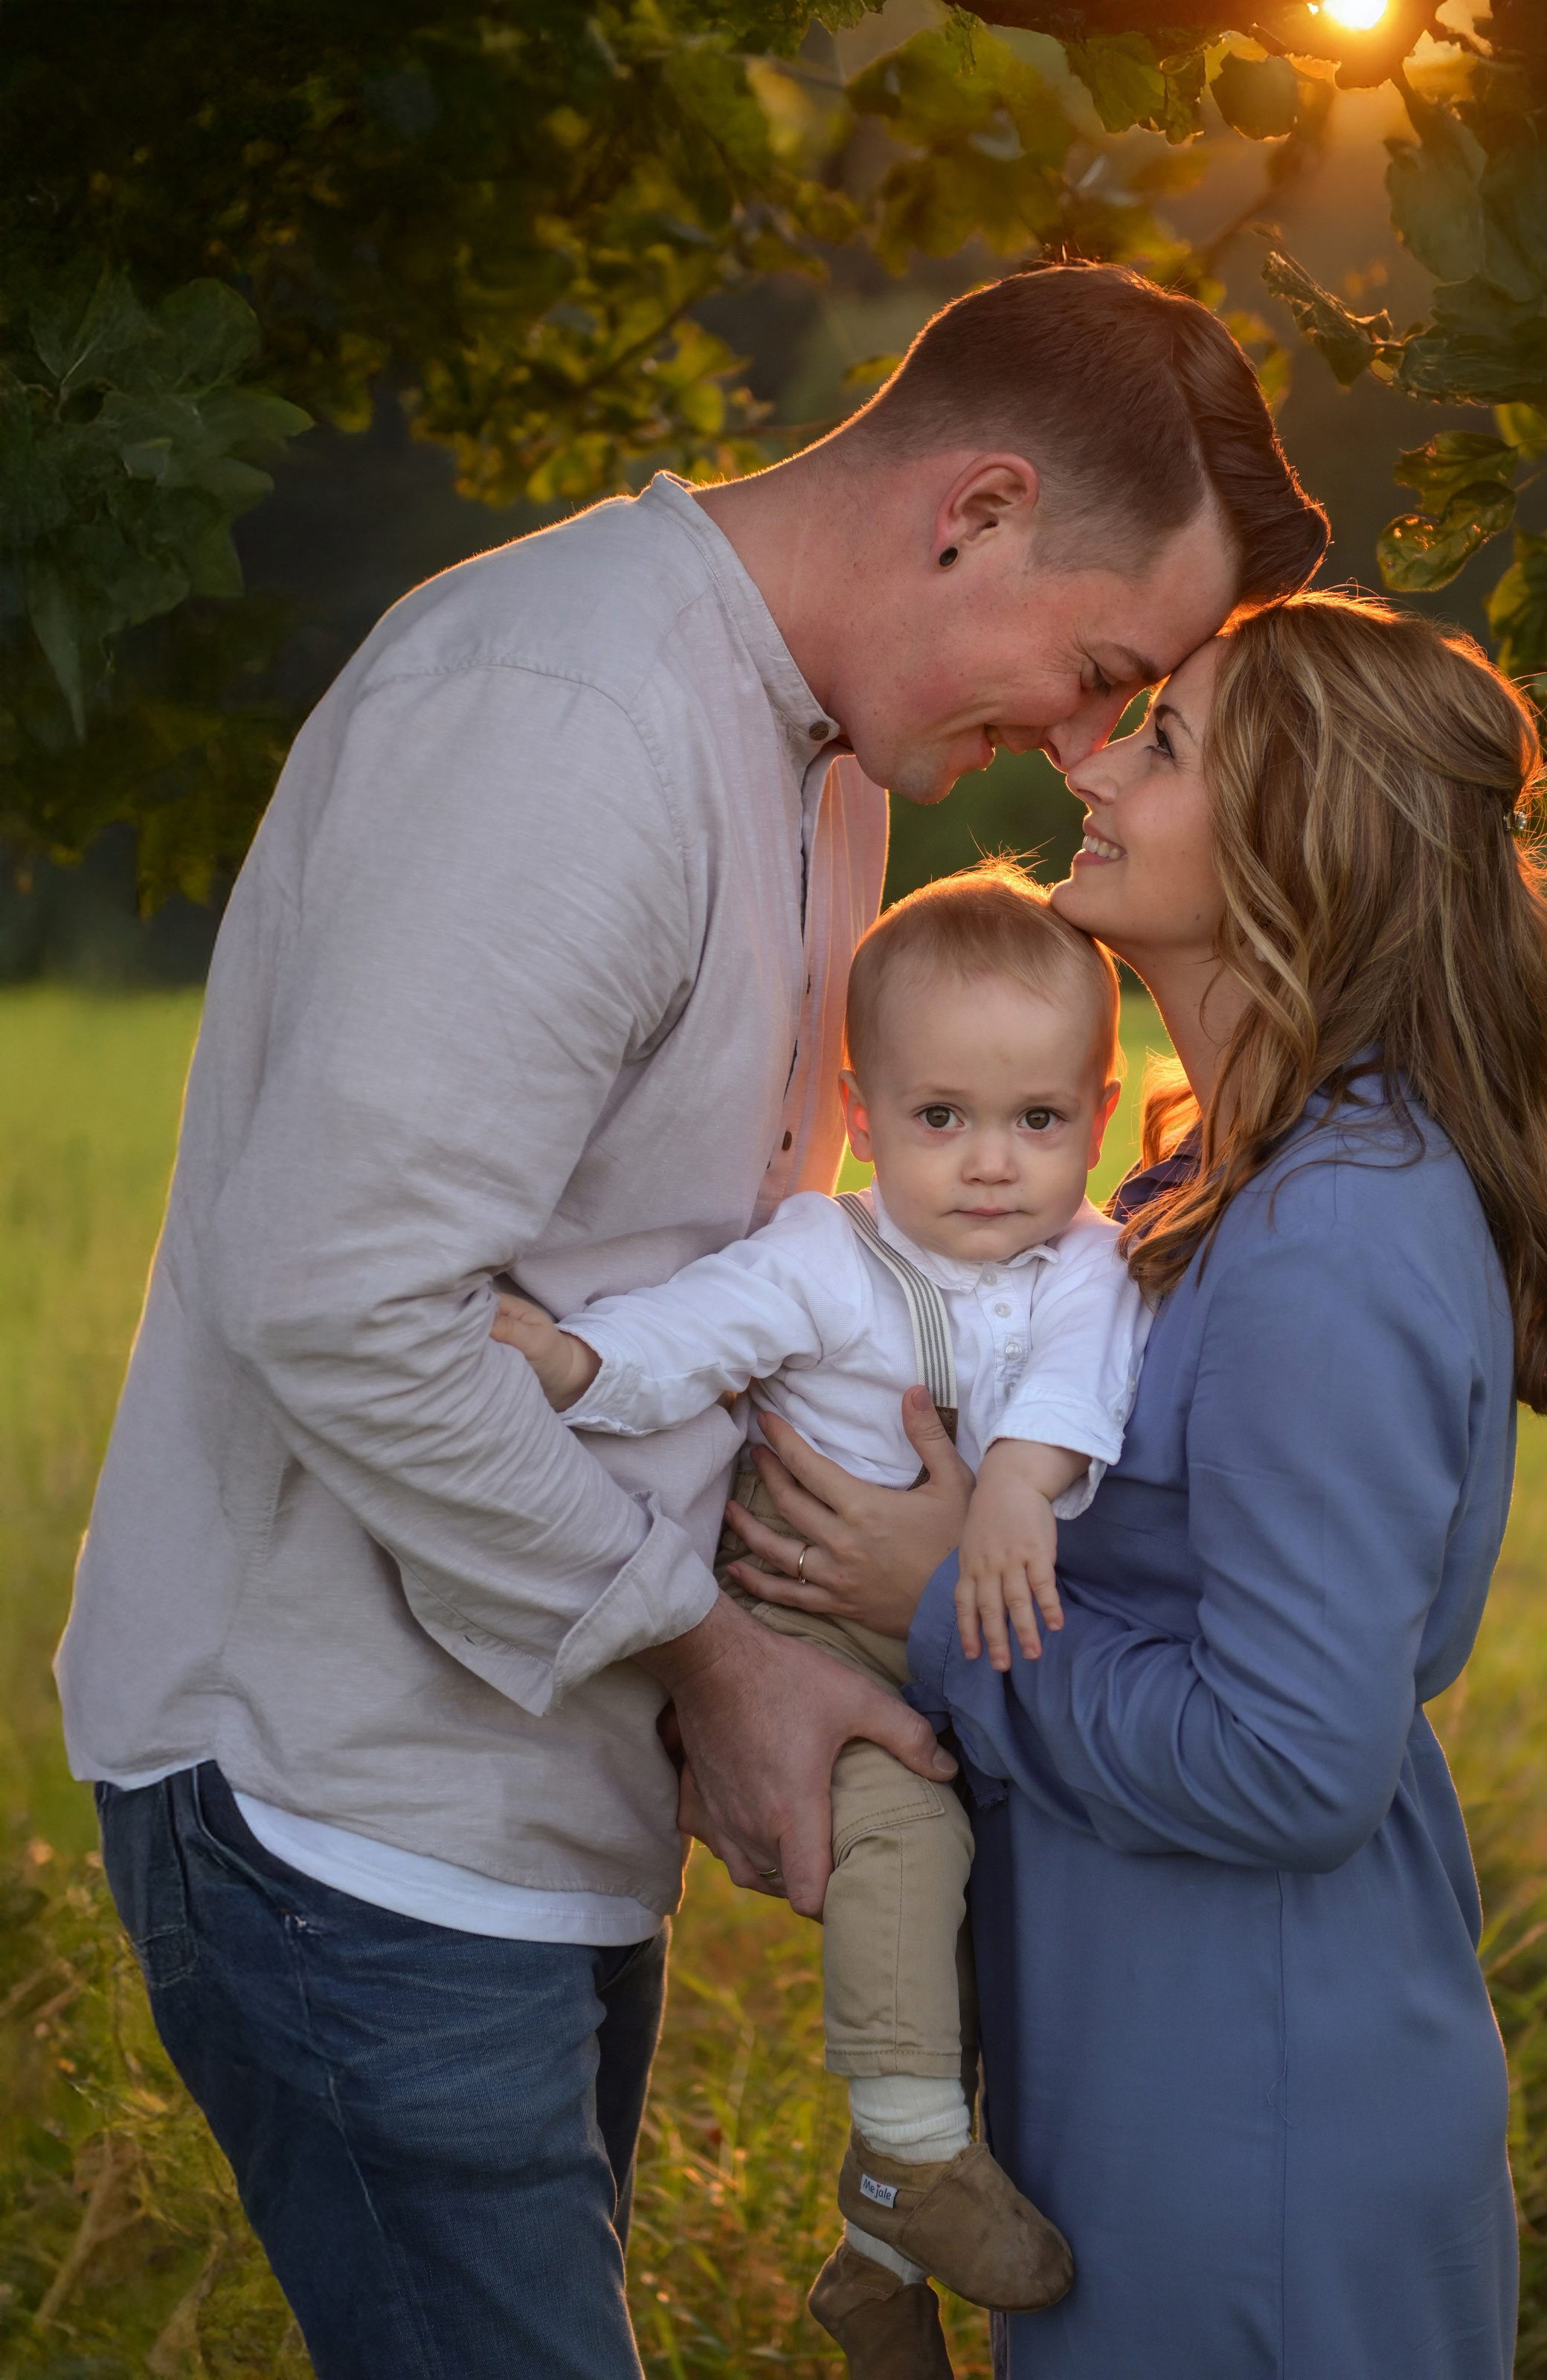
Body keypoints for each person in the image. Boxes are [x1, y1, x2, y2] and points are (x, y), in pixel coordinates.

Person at [54, 260, 1328, 2379]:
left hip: (525, 1798)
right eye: (1102, 666)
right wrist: (709, 1654)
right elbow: (343, 1301)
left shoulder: (825, 755)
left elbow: (707, 1273)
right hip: (344, 1812)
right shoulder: (572, 719)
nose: (1086, 743)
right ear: (975, 510)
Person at [728, 592, 1547, 2375]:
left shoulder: (1333, 1233)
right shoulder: (1214, 1176)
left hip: (1257, 2096)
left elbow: (1290, 1761)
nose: (1086, 757)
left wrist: (936, 1612)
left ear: (1299, 839)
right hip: (1150, 2038)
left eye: (1165, 742)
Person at [494, 865, 1148, 2376]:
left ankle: (871, 2264)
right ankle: (912, 2149)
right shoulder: (824, 1254)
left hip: (979, 1622)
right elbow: (697, 1327)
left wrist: (1015, 1488)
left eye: (1037, 1121)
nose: (991, 1163)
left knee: (996, 1931)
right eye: (941, 1118)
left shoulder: (1093, 1262)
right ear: (861, 1112)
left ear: (1097, 1121)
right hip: (820, 1633)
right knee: (908, 1841)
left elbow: (1072, 1386)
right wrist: (583, 1364)